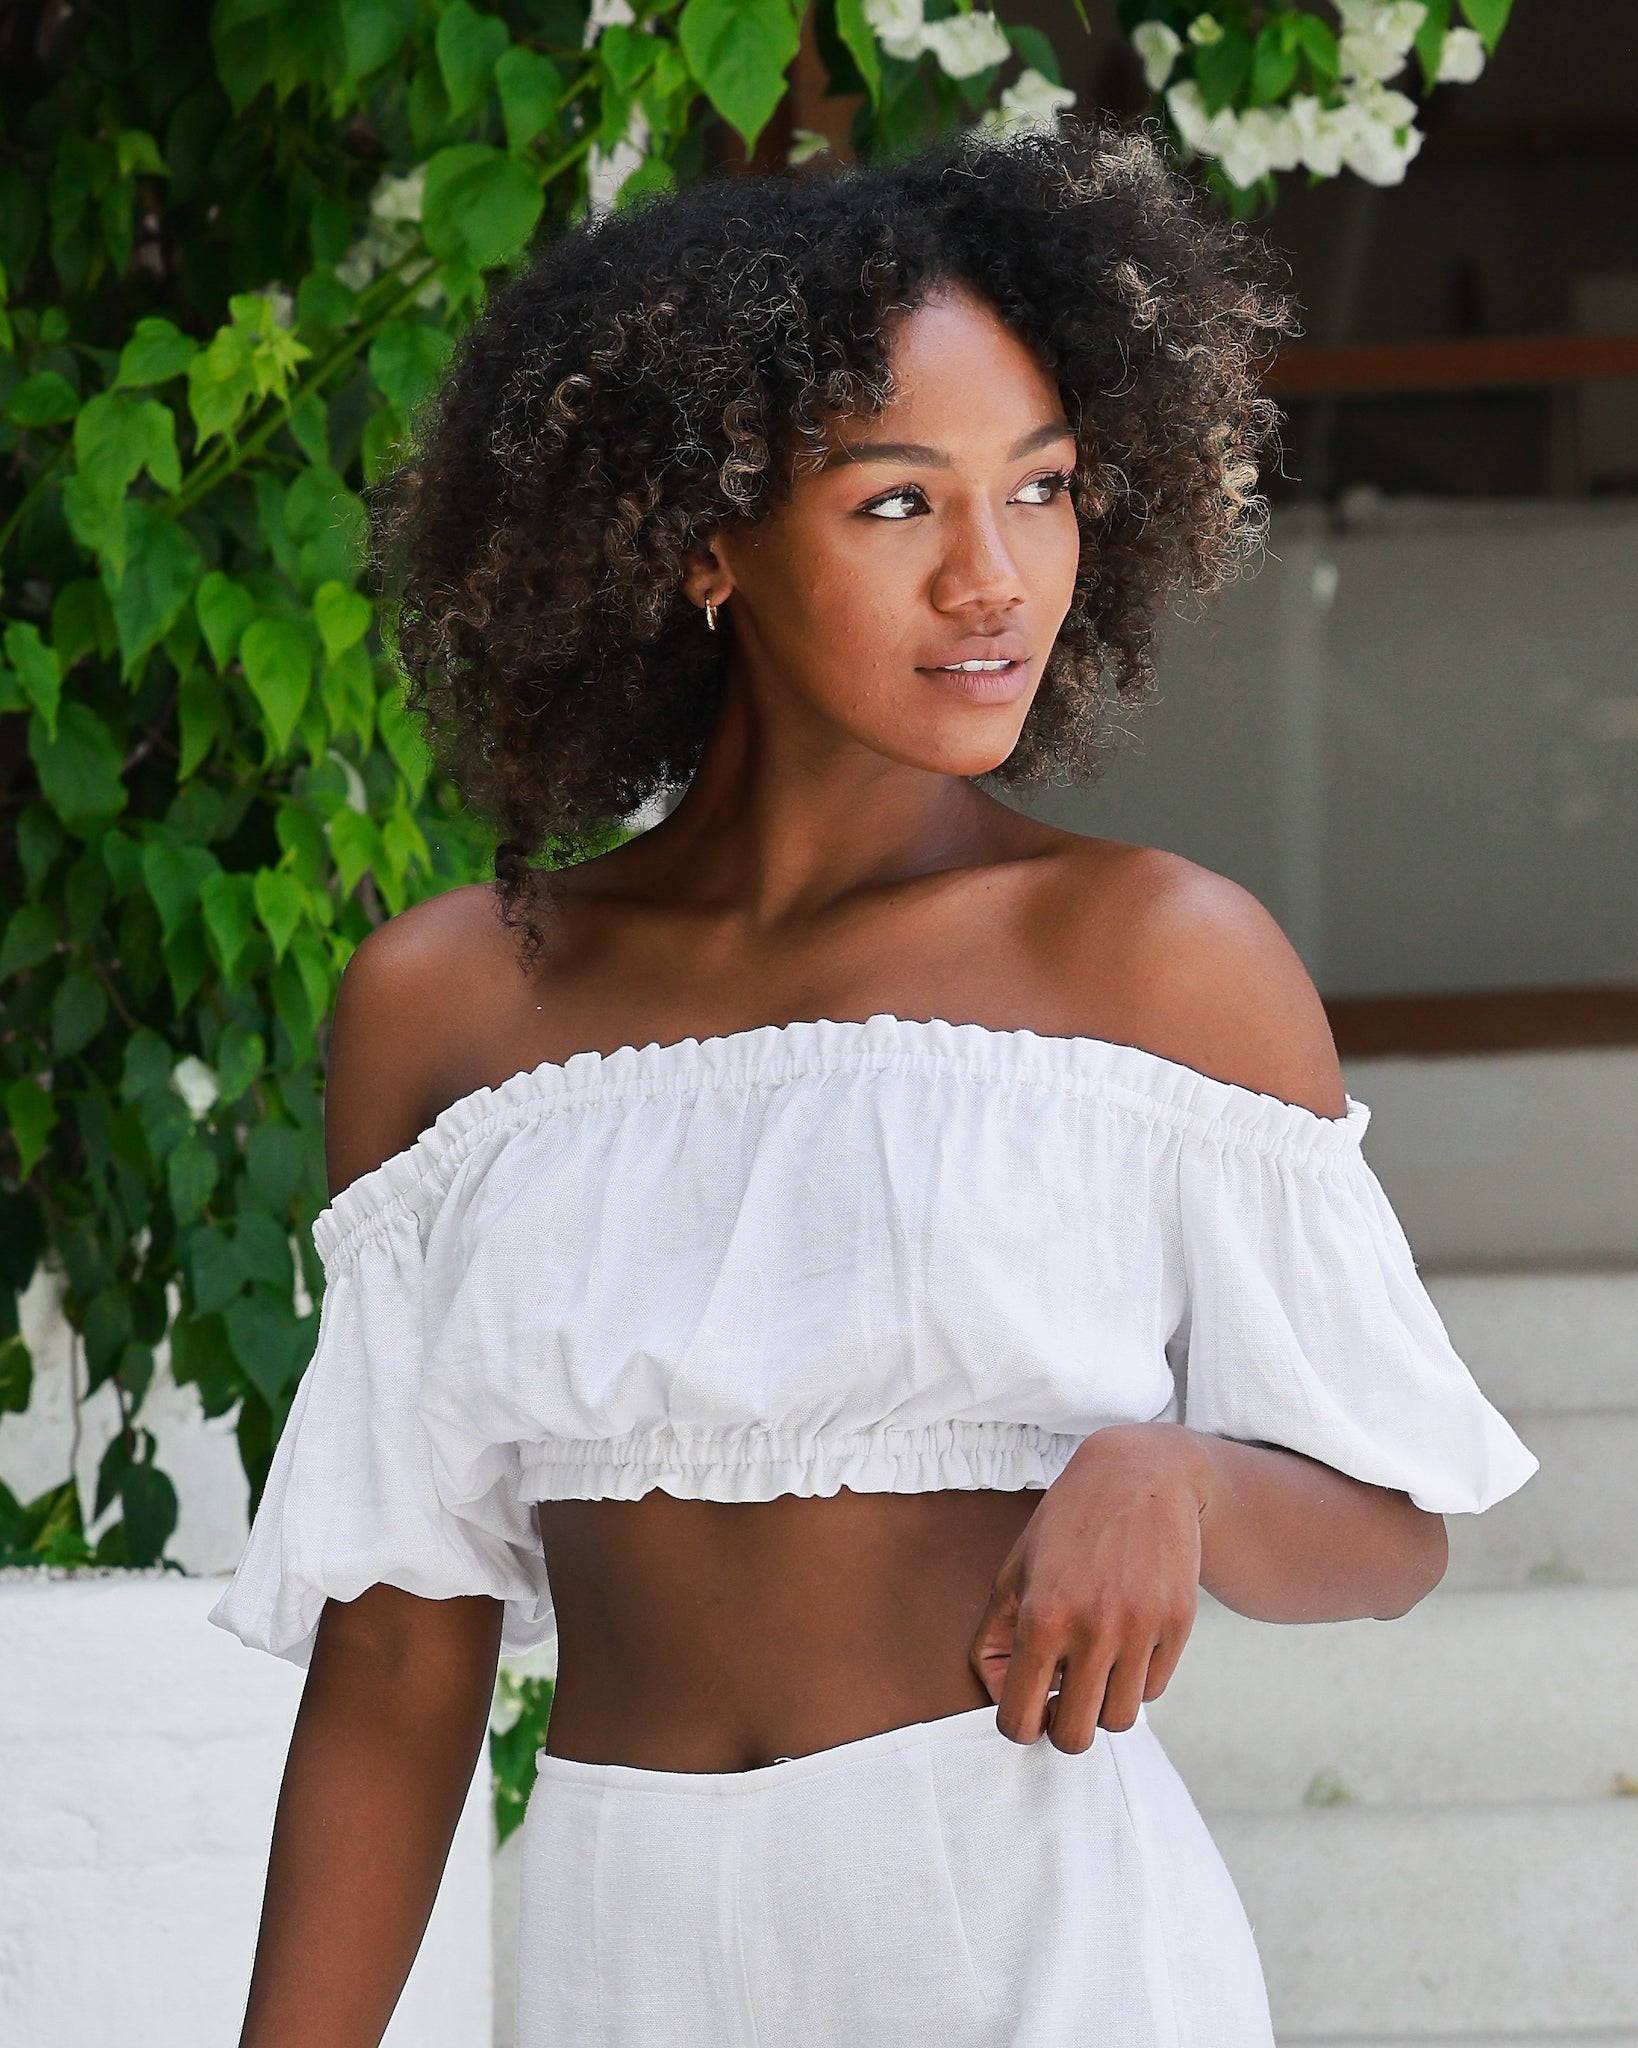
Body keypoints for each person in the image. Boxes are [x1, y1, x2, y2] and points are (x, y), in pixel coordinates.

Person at [211, 120, 1538, 2047]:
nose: (994, 581)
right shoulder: (447, 1010)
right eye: (898, 504)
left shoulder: (1154, 960)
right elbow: (404, 1661)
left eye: (1047, 488)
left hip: (1041, 1940)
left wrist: (1172, 1477)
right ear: (703, 542)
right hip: (612, 1941)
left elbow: (1390, 1528)